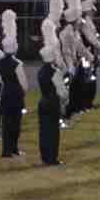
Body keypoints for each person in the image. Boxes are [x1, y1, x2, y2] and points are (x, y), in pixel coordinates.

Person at [0, 11, 26, 158]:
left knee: (6, 123)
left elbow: (1, 79)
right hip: (16, 95)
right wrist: (22, 91)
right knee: (15, 124)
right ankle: (14, 149)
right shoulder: (17, 63)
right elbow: (24, 84)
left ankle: (6, 150)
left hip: (5, 93)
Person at [36, 13, 66, 166]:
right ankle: (52, 158)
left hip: (43, 101)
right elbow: (62, 92)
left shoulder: (40, 71)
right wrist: (65, 99)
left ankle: (44, 156)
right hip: (53, 103)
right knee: (53, 132)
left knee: (43, 131)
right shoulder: (56, 72)